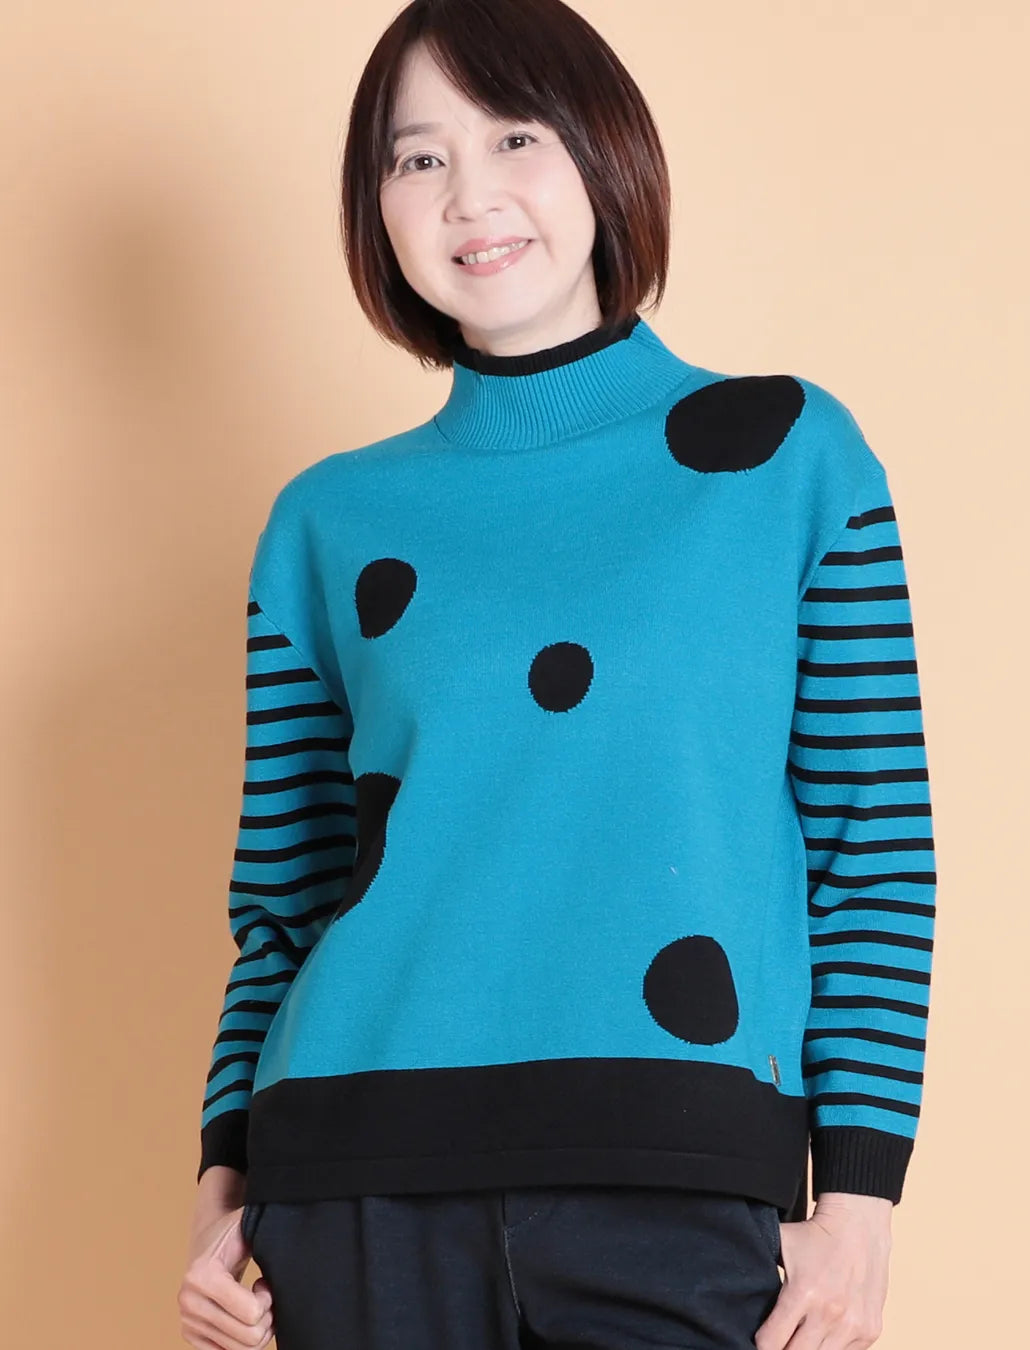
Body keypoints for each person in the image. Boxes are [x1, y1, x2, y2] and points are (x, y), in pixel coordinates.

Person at [178, 1, 937, 1347]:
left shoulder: (787, 456)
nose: (468, 194)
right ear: (376, 207)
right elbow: (283, 901)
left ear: (601, 151)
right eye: (418, 158)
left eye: (513, 136)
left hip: (681, 1174)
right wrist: (218, 1191)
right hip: (349, 1180)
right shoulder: (326, 520)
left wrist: (862, 1203)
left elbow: (870, 846)